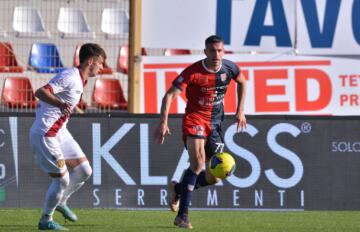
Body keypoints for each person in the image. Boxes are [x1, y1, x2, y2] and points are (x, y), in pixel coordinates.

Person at [154, 35, 247, 229]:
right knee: (197, 163)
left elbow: (242, 81)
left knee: (215, 176)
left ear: (224, 51)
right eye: (212, 51)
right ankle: (182, 217)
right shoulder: (193, 72)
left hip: (215, 124)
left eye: (220, 50)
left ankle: (178, 189)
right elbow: (169, 95)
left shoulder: (229, 68)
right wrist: (163, 123)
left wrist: (240, 110)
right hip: (195, 119)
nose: (216, 54)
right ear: (205, 52)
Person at [29, 43, 106, 230]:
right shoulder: (70, 77)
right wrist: (60, 104)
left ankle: (61, 201)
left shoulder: (81, 80)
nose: (102, 68)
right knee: (62, 180)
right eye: (100, 63)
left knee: (84, 171)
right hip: (46, 134)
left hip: (60, 132)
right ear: (90, 61)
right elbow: (40, 92)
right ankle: (46, 220)